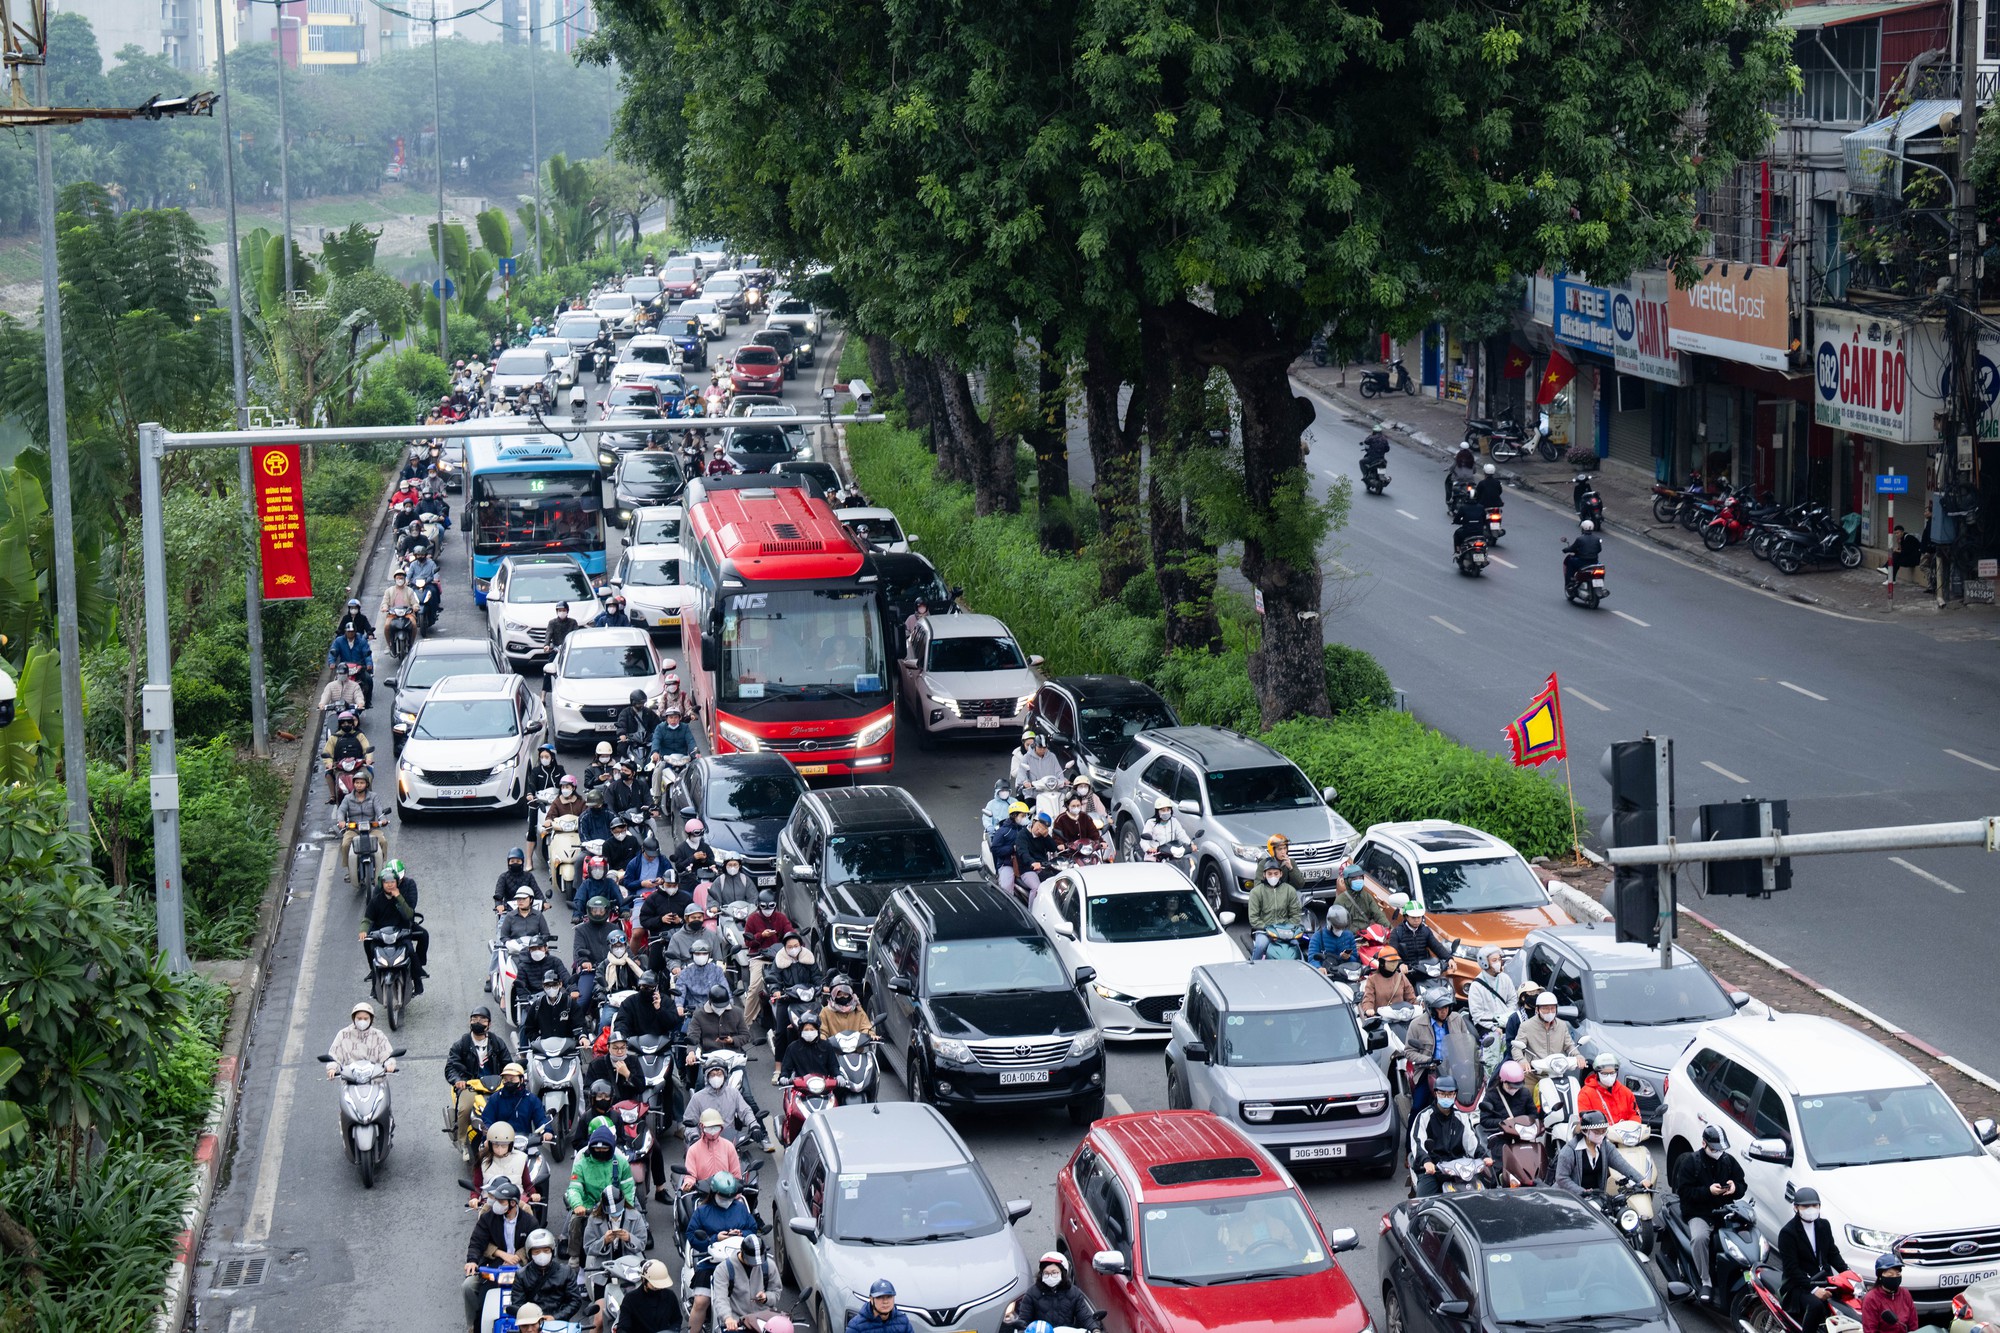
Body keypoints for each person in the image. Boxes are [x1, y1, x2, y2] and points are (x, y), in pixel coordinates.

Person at [1672, 1124, 1746, 1300]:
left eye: (1721, 1149)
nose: (1718, 1152)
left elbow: (1742, 1185)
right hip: (1699, 1212)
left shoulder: (1728, 1162)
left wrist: (1735, 1188)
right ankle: (1705, 1281)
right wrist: (1708, 1191)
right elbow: (1684, 1192)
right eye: (1714, 1149)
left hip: (1724, 1211)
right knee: (1699, 1239)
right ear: (1704, 1144)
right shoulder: (1691, 1163)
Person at [685, 1172, 757, 1333]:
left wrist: (741, 1234)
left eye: (730, 1196)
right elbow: (691, 1235)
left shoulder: (740, 1208)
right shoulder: (702, 1212)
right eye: (724, 1196)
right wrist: (714, 1238)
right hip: (710, 1263)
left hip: (738, 1264)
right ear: (714, 1193)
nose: (727, 1200)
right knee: (701, 1302)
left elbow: (752, 1229)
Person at [462, 1177, 530, 1333]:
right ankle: (474, 1325)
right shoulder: (488, 1216)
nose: (494, 1202)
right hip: (494, 1268)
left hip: (521, 1268)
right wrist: (472, 1261)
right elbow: (477, 1241)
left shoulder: (527, 1217)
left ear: (512, 1203)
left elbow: (532, 1245)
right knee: (468, 1287)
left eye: (500, 1200)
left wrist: (517, 1258)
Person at [446, 1006, 514, 1161]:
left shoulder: (497, 1043)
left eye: (483, 1019)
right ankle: (463, 1142)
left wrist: (511, 1077)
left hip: (495, 1085)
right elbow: (451, 1067)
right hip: (472, 1086)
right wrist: (458, 1081)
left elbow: (508, 1064)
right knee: (464, 1109)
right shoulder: (461, 1044)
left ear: (489, 1024)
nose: (478, 1022)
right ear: (470, 1022)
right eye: (475, 1019)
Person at [1777, 1186, 1848, 1333]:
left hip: (1823, 1278)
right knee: (1816, 1306)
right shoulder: (1787, 1233)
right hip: (1799, 1284)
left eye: (1814, 1205)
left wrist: (1847, 1273)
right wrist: (1814, 1289)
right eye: (1806, 1206)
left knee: (1846, 1300)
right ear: (1796, 1207)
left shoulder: (1824, 1225)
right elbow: (1791, 1269)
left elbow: (1832, 1253)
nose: (1811, 1209)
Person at [566, 1126, 638, 1266]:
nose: (600, 1152)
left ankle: (632, 1252)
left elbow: (628, 1189)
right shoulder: (581, 1165)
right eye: (597, 1149)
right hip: (589, 1207)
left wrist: (628, 1207)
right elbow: (574, 1188)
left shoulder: (621, 1163)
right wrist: (577, 1205)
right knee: (575, 1221)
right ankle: (575, 1257)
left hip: (615, 1206)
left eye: (604, 1149)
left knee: (635, 1218)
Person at [1409, 1074, 1491, 1196]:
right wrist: (1426, 1161)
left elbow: (1471, 1143)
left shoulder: (1461, 1117)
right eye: (1442, 1094)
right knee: (1423, 1203)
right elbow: (1417, 1142)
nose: (1446, 1097)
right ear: (1436, 1093)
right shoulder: (1424, 1116)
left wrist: (1484, 1156)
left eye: (1450, 1094)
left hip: (1458, 1168)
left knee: (1485, 1191)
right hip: (1433, 1169)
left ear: (1455, 1095)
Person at [1404, 985, 1476, 1115]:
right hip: (1429, 1070)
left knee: (1472, 1100)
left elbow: (1466, 1041)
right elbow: (1409, 1052)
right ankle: (1412, 1134)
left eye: (1446, 1007)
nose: (1444, 1011)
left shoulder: (1457, 1019)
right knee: (1418, 1106)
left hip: (1455, 1068)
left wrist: (1472, 1058)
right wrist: (1428, 1060)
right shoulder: (1416, 1024)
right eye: (1440, 1008)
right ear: (1431, 1009)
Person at [359, 863, 428, 994]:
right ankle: (374, 983)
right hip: (381, 933)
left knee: (410, 951)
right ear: (381, 884)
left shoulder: (402, 896)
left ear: (397, 883)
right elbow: (367, 918)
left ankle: (418, 979)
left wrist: (399, 898)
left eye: (392, 882)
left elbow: (408, 914)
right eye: (386, 882)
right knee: (372, 949)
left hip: (401, 932)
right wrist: (363, 931)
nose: (390, 885)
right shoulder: (375, 900)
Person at [683, 1053, 768, 1149]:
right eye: (713, 1074)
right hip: (704, 1144)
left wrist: (754, 1126)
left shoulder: (733, 1093)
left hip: (729, 1143)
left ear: (724, 1075)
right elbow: (689, 1122)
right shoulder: (697, 1097)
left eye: (719, 1074)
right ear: (707, 1076)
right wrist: (694, 1137)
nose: (716, 1077)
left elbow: (745, 1111)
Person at [1553, 1109, 1644, 1198]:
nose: (1601, 1135)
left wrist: (1641, 1180)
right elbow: (1561, 1178)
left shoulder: (1606, 1147)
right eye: (1596, 1132)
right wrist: (1582, 1191)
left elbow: (1622, 1165)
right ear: (1585, 1131)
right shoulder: (1569, 1151)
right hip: (1570, 1198)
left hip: (1596, 1197)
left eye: (1603, 1131)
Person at [1005, 1251, 1095, 1332]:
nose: (1050, 1276)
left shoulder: (1074, 1293)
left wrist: (1095, 1329)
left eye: (1054, 1272)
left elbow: (1085, 1316)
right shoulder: (1032, 1293)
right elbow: (1024, 1319)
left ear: (1063, 1273)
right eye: (1046, 1273)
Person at [710, 1232, 781, 1333]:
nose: (756, 1265)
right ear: (742, 1253)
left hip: (763, 1320)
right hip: (738, 1322)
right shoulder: (723, 1269)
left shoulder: (769, 1265)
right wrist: (728, 1318)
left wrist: (766, 1297)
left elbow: (776, 1292)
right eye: (752, 1261)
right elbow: (721, 1298)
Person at [515, 1227, 589, 1324]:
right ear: (530, 1253)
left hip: (560, 1324)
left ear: (552, 1251)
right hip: (532, 1325)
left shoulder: (566, 1272)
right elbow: (518, 1304)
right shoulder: (521, 1275)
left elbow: (575, 1301)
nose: (542, 1255)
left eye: (546, 1251)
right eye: (537, 1252)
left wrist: (555, 1317)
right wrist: (534, 1319)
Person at [333, 773, 391, 884]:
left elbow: (379, 811)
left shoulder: (373, 796)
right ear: (353, 784)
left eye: (362, 783)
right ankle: (350, 870)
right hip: (353, 829)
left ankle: (381, 867)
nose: (359, 785)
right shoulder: (348, 798)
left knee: (383, 841)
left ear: (366, 784)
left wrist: (383, 819)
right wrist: (341, 821)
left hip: (371, 828)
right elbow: (341, 811)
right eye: (357, 783)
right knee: (345, 844)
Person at [481, 1061, 557, 1146]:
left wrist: (547, 1131)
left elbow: (541, 1118)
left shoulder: (531, 1099)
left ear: (521, 1080)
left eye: (512, 1079)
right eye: (505, 1079)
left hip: (524, 1144)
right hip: (499, 1145)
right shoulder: (495, 1099)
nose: (508, 1082)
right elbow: (487, 1120)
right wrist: (487, 1137)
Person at [1248, 858, 1303, 962]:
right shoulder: (1256, 892)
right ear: (1264, 875)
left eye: (1276, 873)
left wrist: (1286, 930)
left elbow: (1295, 915)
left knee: (1297, 949)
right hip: (1265, 931)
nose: (1273, 876)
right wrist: (1269, 930)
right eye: (1269, 873)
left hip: (1286, 932)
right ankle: (1253, 968)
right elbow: (1253, 918)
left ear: (1281, 874)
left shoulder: (1289, 890)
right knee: (1260, 946)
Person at [1513, 989, 1584, 1064]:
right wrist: (1521, 1060)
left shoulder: (1562, 1025)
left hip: (1557, 1068)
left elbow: (1569, 1045)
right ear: (1537, 1009)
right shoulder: (1526, 1026)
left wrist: (1577, 1055)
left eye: (1552, 1008)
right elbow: (1516, 1048)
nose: (1550, 1012)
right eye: (1545, 1009)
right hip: (1534, 1070)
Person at [327, 999, 396, 1075]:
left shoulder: (378, 1035)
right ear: (354, 1018)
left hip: (375, 1079)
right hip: (350, 1080)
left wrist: (389, 1064)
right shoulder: (343, 1035)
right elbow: (334, 1055)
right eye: (359, 1018)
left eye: (366, 1019)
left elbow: (386, 1054)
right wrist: (332, 1068)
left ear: (371, 1019)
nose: (362, 1021)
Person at [322, 708, 375, 804]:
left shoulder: (359, 736)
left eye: (348, 722)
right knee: (328, 774)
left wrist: (368, 759)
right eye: (343, 722)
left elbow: (367, 749)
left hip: (358, 766)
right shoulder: (334, 738)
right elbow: (327, 753)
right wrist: (329, 763)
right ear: (339, 724)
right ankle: (333, 796)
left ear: (352, 723)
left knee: (368, 774)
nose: (346, 724)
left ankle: (369, 796)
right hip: (339, 767)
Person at [1465, 946, 1517, 1044]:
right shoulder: (1476, 986)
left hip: (1506, 1021)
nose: (1498, 963)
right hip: (1486, 1024)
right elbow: (1477, 1014)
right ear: (1485, 962)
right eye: (1494, 960)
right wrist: (1493, 1027)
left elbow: (1513, 999)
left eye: (1499, 959)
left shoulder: (1505, 978)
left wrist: (1508, 1016)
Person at [472, 1119, 531, 1202]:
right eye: (496, 1145)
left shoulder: (520, 1159)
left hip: (515, 1202)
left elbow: (527, 1184)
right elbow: (477, 1185)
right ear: (490, 1144)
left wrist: (534, 1193)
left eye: (504, 1145)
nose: (499, 1149)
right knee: (483, 1214)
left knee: (527, 1211)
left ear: (510, 1145)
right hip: (490, 1202)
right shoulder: (482, 1159)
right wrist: (474, 1198)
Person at [1478, 1060, 1538, 1142]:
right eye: (1511, 1087)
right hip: (1501, 1136)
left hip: (1522, 1135)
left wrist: (1522, 1122)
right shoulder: (1491, 1095)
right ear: (1502, 1080)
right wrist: (1504, 1122)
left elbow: (1534, 1114)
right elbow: (1485, 1120)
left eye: (1517, 1087)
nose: (1514, 1090)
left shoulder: (1525, 1093)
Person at [685, 1107, 743, 1192]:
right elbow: (690, 1175)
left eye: (715, 1127)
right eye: (709, 1127)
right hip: (703, 1194)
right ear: (702, 1127)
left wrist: (736, 1194)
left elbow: (736, 1175)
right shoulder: (693, 1150)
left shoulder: (729, 1146)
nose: (712, 1131)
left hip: (726, 1194)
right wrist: (688, 1184)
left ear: (721, 1127)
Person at [616, 1257, 680, 1333]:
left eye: (660, 1286)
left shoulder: (670, 1296)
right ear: (644, 1280)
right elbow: (623, 1327)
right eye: (654, 1286)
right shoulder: (630, 1299)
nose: (658, 1289)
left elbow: (676, 1320)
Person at [1389, 901, 1451, 977]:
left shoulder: (1425, 930)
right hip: (1406, 973)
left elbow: (1436, 946)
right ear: (1406, 917)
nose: (1417, 920)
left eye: (1419, 917)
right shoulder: (1397, 932)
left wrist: (1449, 958)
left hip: (1425, 971)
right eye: (1413, 917)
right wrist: (1400, 964)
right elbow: (1391, 952)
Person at [585, 1031, 646, 1105]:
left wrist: (628, 1075)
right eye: (615, 1048)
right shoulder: (597, 1064)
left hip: (628, 1108)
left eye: (623, 1048)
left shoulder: (633, 1060)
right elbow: (587, 1089)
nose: (619, 1052)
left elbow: (641, 1087)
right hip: (605, 1106)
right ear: (608, 1047)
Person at [1579, 1051, 1639, 1125]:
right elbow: (1584, 1119)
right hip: (1600, 1134)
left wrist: (1630, 1127)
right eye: (1604, 1074)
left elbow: (1635, 1115)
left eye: (1612, 1073)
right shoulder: (1586, 1093)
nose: (1609, 1077)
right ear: (1597, 1074)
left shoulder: (1626, 1092)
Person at [1862, 1254, 1916, 1333]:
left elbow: (1913, 1323)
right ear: (1880, 1276)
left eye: (1897, 1274)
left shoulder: (1905, 1293)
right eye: (1890, 1274)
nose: (1894, 1277)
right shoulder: (1871, 1298)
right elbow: (1870, 1329)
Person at [522, 971, 580, 1045]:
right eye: (547, 986)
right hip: (544, 1049)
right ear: (543, 986)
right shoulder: (537, 1005)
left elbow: (579, 1024)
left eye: (554, 985)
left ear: (560, 984)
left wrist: (582, 1037)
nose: (551, 988)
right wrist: (538, 1040)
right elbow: (529, 1028)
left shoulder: (570, 1003)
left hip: (567, 1048)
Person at [779, 1013, 838, 1084]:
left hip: (823, 1087)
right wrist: (784, 1077)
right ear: (801, 1031)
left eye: (812, 1029)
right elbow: (786, 1068)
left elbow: (833, 1066)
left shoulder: (826, 1046)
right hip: (800, 1087)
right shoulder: (793, 1048)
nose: (809, 1032)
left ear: (817, 1030)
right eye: (806, 1030)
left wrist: (838, 1076)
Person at [618, 971, 678, 1041]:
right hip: (635, 1043)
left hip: (661, 1043)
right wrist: (622, 1036)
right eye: (643, 987)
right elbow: (622, 1022)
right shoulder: (630, 1002)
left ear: (656, 987)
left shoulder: (666, 1001)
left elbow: (673, 1023)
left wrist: (659, 1009)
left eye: (649, 987)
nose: (646, 990)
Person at [990, 800, 1032, 897]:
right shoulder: (1003, 831)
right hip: (1007, 864)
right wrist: (1012, 849)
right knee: (1006, 889)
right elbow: (995, 849)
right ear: (1014, 816)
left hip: (1025, 863)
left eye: (1026, 816)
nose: (1025, 818)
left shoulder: (1025, 829)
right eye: (1022, 816)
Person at [1332, 863, 1390, 932]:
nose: (1358, 880)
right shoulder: (1340, 901)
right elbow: (1338, 924)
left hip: (1367, 935)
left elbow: (1378, 914)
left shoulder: (1366, 896)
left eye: (1360, 877)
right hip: (1350, 938)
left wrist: (1388, 927)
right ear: (1347, 880)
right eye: (1354, 878)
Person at [526, 747, 569, 837]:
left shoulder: (560, 770)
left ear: (552, 757)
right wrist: (530, 794)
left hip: (557, 801)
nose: (543, 759)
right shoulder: (536, 771)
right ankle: (530, 849)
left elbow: (565, 782)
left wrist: (564, 793)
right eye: (541, 757)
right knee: (531, 831)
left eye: (546, 756)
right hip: (540, 801)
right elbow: (531, 784)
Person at [1359, 950, 1416, 1017]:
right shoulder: (1372, 979)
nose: (1394, 964)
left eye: (1396, 961)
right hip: (1382, 1019)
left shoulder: (1401, 977)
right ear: (1382, 963)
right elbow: (1368, 998)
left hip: (1401, 1017)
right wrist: (1368, 1009)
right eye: (1390, 962)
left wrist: (1419, 1006)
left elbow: (1411, 997)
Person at [819, 975, 876, 1040]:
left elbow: (866, 1027)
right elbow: (822, 1031)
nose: (842, 996)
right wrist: (822, 1038)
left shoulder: (857, 1010)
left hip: (855, 1048)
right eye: (839, 994)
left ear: (850, 995)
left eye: (845, 994)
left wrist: (870, 1035)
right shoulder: (826, 1011)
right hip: (833, 1049)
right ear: (833, 995)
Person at [1009, 731, 1065, 796]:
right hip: (1033, 792)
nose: (1042, 750)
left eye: (1044, 748)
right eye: (1040, 747)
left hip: (1051, 790)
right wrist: (1025, 782)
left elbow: (1058, 771)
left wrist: (1063, 780)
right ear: (1035, 745)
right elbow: (1021, 773)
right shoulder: (1026, 757)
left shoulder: (1052, 756)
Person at [846, 1279, 913, 1333]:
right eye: (880, 1297)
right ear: (871, 1299)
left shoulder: (903, 1321)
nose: (885, 1301)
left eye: (889, 1297)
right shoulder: (856, 1325)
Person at [671, 820, 716, 894]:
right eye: (695, 835)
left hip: (705, 882)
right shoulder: (681, 849)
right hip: (688, 885)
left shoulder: (705, 847)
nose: (697, 837)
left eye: (700, 835)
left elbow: (713, 862)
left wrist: (704, 860)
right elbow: (679, 867)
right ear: (688, 834)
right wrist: (693, 858)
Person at [379, 569, 421, 641]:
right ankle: (390, 644)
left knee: (414, 624)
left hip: (407, 613)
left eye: (401, 578)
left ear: (404, 579)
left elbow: (414, 602)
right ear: (395, 579)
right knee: (386, 626)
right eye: (398, 578)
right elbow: (385, 602)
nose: (400, 580)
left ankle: (412, 642)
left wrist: (415, 607)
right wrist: (385, 607)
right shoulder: (389, 591)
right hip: (393, 613)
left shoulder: (409, 590)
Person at [617, 689, 660, 759]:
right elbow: (621, 724)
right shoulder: (625, 713)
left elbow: (656, 724)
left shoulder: (648, 712)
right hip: (631, 740)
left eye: (643, 703)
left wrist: (657, 734)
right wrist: (622, 734)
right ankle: (624, 766)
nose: (641, 705)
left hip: (647, 738)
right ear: (633, 702)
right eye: (639, 703)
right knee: (621, 749)